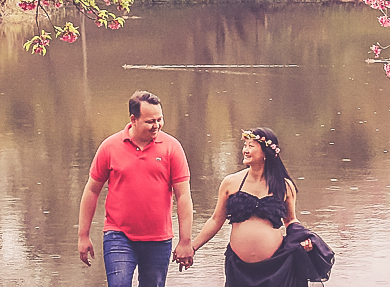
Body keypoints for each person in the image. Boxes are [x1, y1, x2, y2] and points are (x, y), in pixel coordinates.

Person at [78, 90, 194, 287]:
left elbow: (183, 196)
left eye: (160, 119)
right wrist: (83, 235)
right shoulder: (110, 147)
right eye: (150, 121)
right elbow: (92, 190)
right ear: (133, 119)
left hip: (159, 239)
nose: (156, 125)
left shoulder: (172, 148)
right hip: (118, 235)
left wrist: (185, 241)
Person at [190, 128, 333, 287]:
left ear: (265, 152)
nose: (245, 150)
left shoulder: (285, 186)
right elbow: (216, 220)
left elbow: (290, 220)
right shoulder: (230, 182)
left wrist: (304, 239)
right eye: (245, 145)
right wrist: (192, 247)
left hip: (277, 266)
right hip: (238, 267)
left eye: (251, 146)